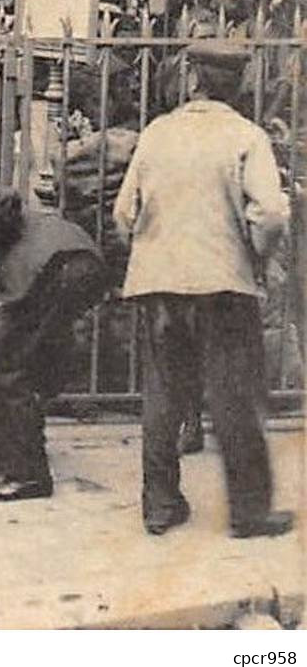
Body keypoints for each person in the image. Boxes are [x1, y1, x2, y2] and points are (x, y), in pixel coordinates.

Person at [113, 40, 294, 538]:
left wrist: (152, 249)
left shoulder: (157, 132)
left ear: (192, 79)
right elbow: (273, 212)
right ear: (238, 84)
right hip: (222, 282)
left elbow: (123, 212)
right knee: (234, 396)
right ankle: (249, 512)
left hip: (159, 282)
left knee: (163, 395)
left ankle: (160, 505)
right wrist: (254, 253)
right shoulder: (246, 135)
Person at [0, 188, 109, 503]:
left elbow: (14, 296)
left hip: (61, 274)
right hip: (81, 263)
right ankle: (1, 450)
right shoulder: (9, 227)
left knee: (8, 365)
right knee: (1, 354)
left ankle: (28, 475)